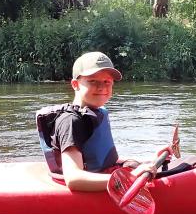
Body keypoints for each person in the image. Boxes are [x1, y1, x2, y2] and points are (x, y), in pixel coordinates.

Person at [35, 51, 162, 192]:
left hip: (105, 174)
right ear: (75, 84)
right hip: (90, 188)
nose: (101, 87)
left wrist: (151, 161)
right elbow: (74, 179)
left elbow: (106, 161)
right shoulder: (71, 121)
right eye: (93, 81)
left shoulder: (98, 113)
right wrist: (130, 178)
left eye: (107, 82)